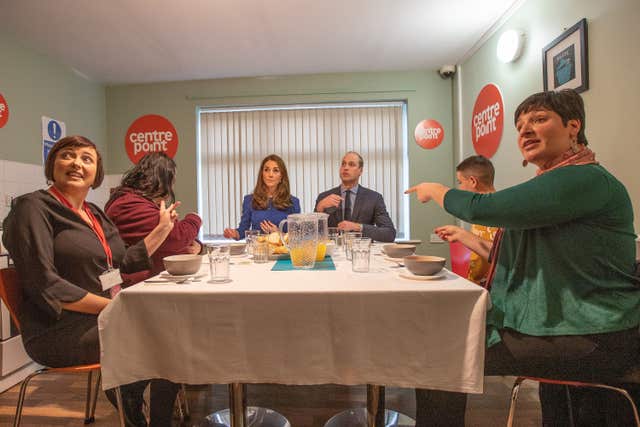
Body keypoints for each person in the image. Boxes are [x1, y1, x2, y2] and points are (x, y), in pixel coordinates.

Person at [405, 89, 640, 426]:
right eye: (520, 125)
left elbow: (480, 207)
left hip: (591, 334)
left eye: (539, 119)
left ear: (574, 127)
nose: (525, 130)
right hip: (563, 327)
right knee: (443, 337)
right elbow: (513, 260)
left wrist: (438, 191)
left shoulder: (584, 179)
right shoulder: (557, 185)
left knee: (440, 355)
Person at [2, 136, 179, 427]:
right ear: (52, 164)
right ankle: (136, 408)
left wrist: (162, 230)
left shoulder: (93, 213)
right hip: (57, 328)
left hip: (102, 316)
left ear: (96, 173)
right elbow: (45, 284)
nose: (76, 163)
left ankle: (134, 401)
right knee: (163, 339)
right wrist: (114, 306)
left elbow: (120, 263)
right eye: (67, 155)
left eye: (87, 158)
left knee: (174, 331)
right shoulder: (32, 207)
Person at [105, 152, 203, 284]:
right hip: (134, 287)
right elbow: (177, 237)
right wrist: (195, 217)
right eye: (172, 182)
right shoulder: (129, 205)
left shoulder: (135, 202)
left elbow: (170, 242)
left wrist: (198, 246)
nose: (171, 188)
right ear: (161, 180)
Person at [434, 155, 498, 287]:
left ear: (473, 181)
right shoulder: (488, 210)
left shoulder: (490, 216)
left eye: (460, 182)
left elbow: (488, 260)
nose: (459, 188)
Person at [314, 151, 396, 242]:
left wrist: (358, 227)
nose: (345, 168)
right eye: (343, 164)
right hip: (333, 253)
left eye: (351, 164)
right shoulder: (324, 197)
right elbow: (312, 236)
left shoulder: (374, 198)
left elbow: (389, 234)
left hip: (360, 252)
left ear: (360, 171)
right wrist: (319, 209)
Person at [223, 154, 300, 239]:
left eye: (275, 171)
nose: (270, 175)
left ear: (281, 176)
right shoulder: (249, 200)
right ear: (262, 174)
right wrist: (234, 233)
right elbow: (243, 231)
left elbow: (297, 237)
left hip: (282, 251)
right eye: (266, 170)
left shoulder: (293, 202)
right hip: (257, 250)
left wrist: (279, 234)